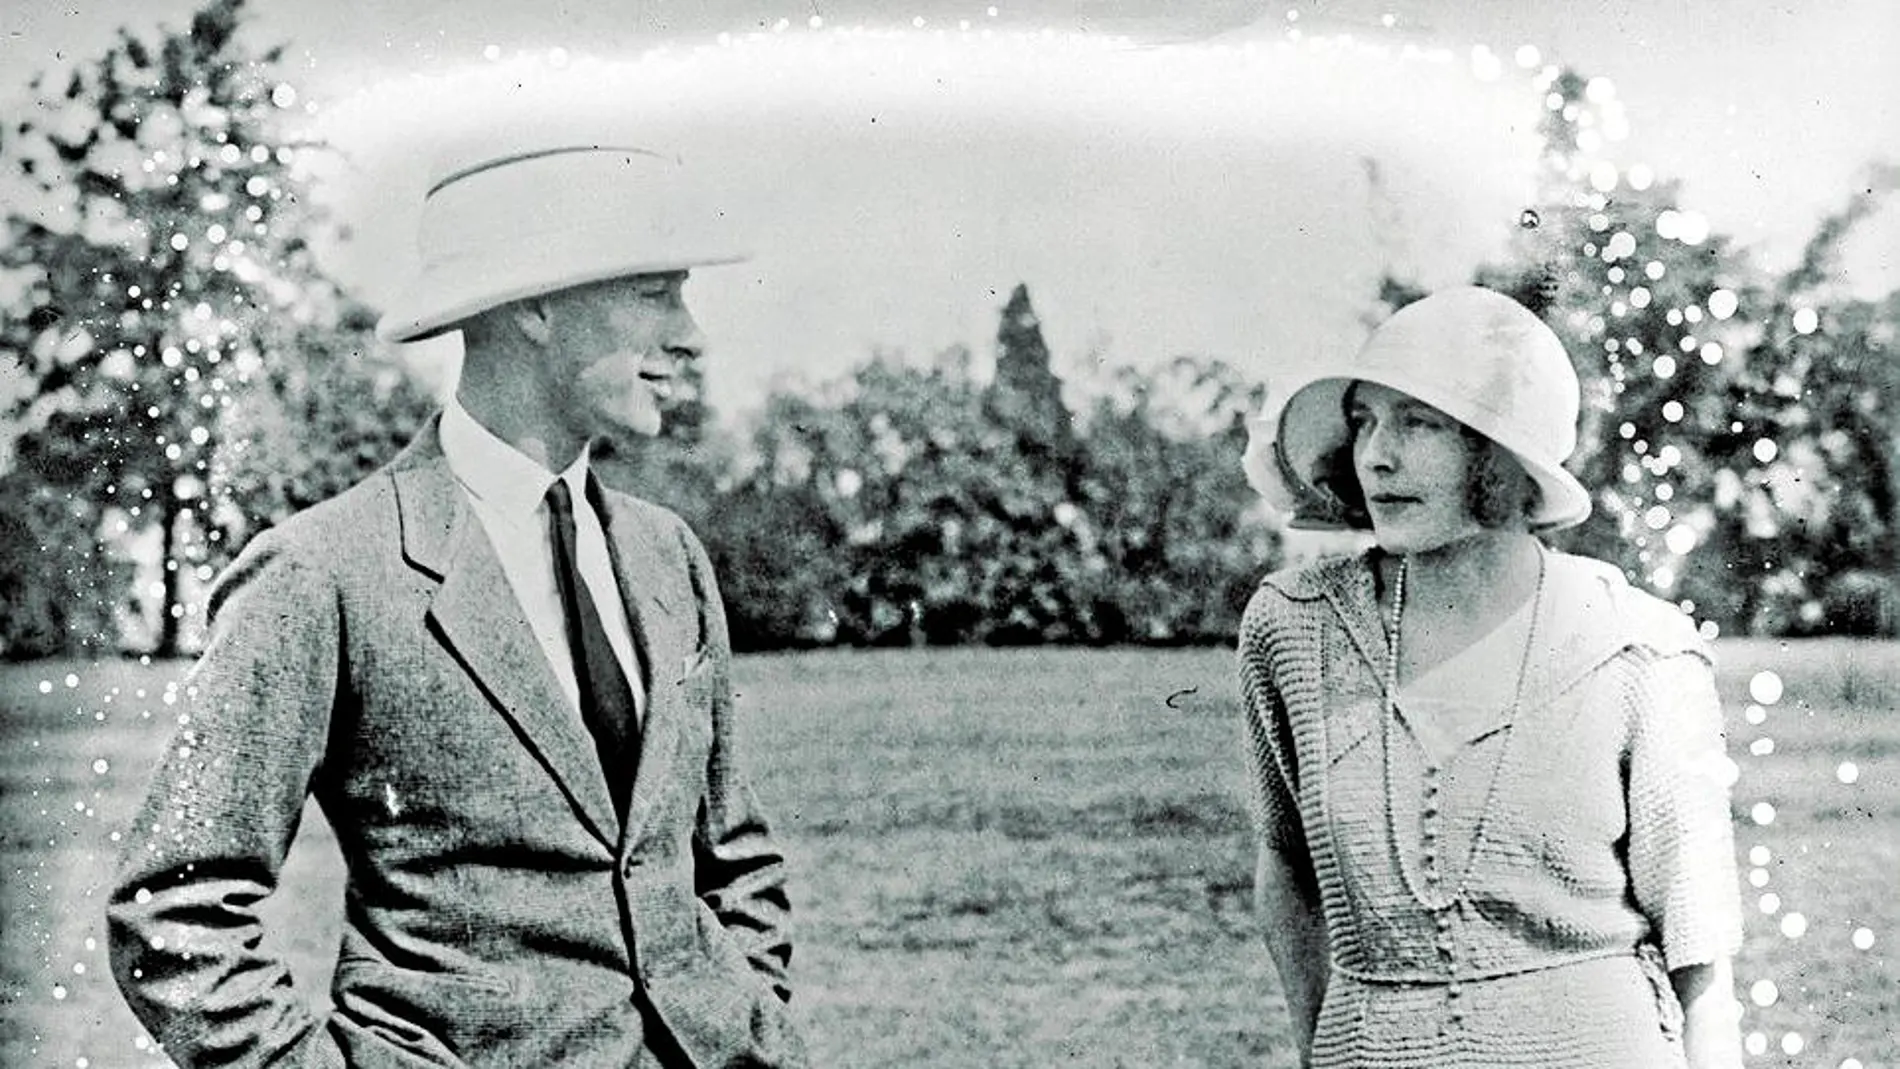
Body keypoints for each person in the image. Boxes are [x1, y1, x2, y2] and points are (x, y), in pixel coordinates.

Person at [106, 139, 808, 1067]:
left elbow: (735, 858)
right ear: (536, 305)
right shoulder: (323, 570)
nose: (689, 335)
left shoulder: (666, 555)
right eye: (653, 293)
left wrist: (749, 1012)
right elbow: (177, 907)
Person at [1236, 286, 1745, 1068]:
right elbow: (1288, 869)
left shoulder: (1640, 649)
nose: (1377, 455)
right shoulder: (1294, 627)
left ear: (1498, 455)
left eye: (1419, 423)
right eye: (1365, 419)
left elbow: (1700, 952)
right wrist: (1323, 1048)